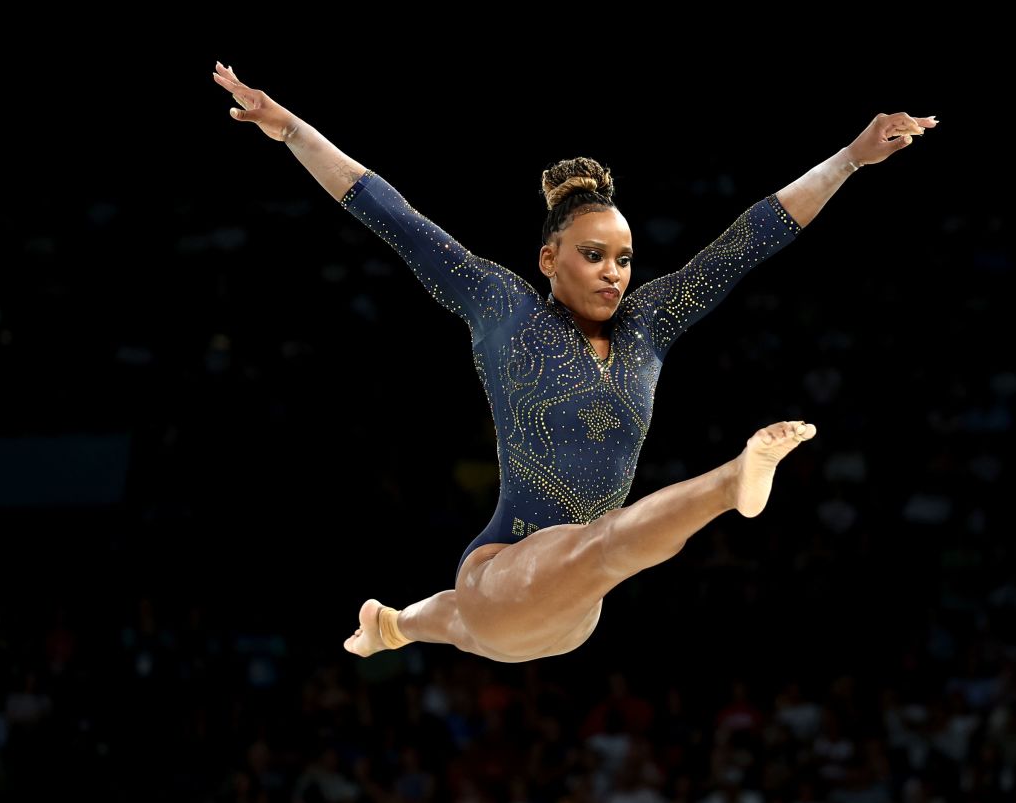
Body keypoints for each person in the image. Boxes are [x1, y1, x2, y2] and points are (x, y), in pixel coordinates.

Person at [210, 61, 936, 663]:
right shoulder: (503, 307)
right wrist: (289, 129)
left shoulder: (650, 324)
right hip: (504, 565)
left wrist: (849, 158)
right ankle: (729, 483)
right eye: (593, 256)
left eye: (623, 258)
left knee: (517, 595)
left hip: (573, 613)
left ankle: (392, 624)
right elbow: (393, 216)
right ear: (547, 258)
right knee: (580, 557)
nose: (614, 272)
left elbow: (749, 239)